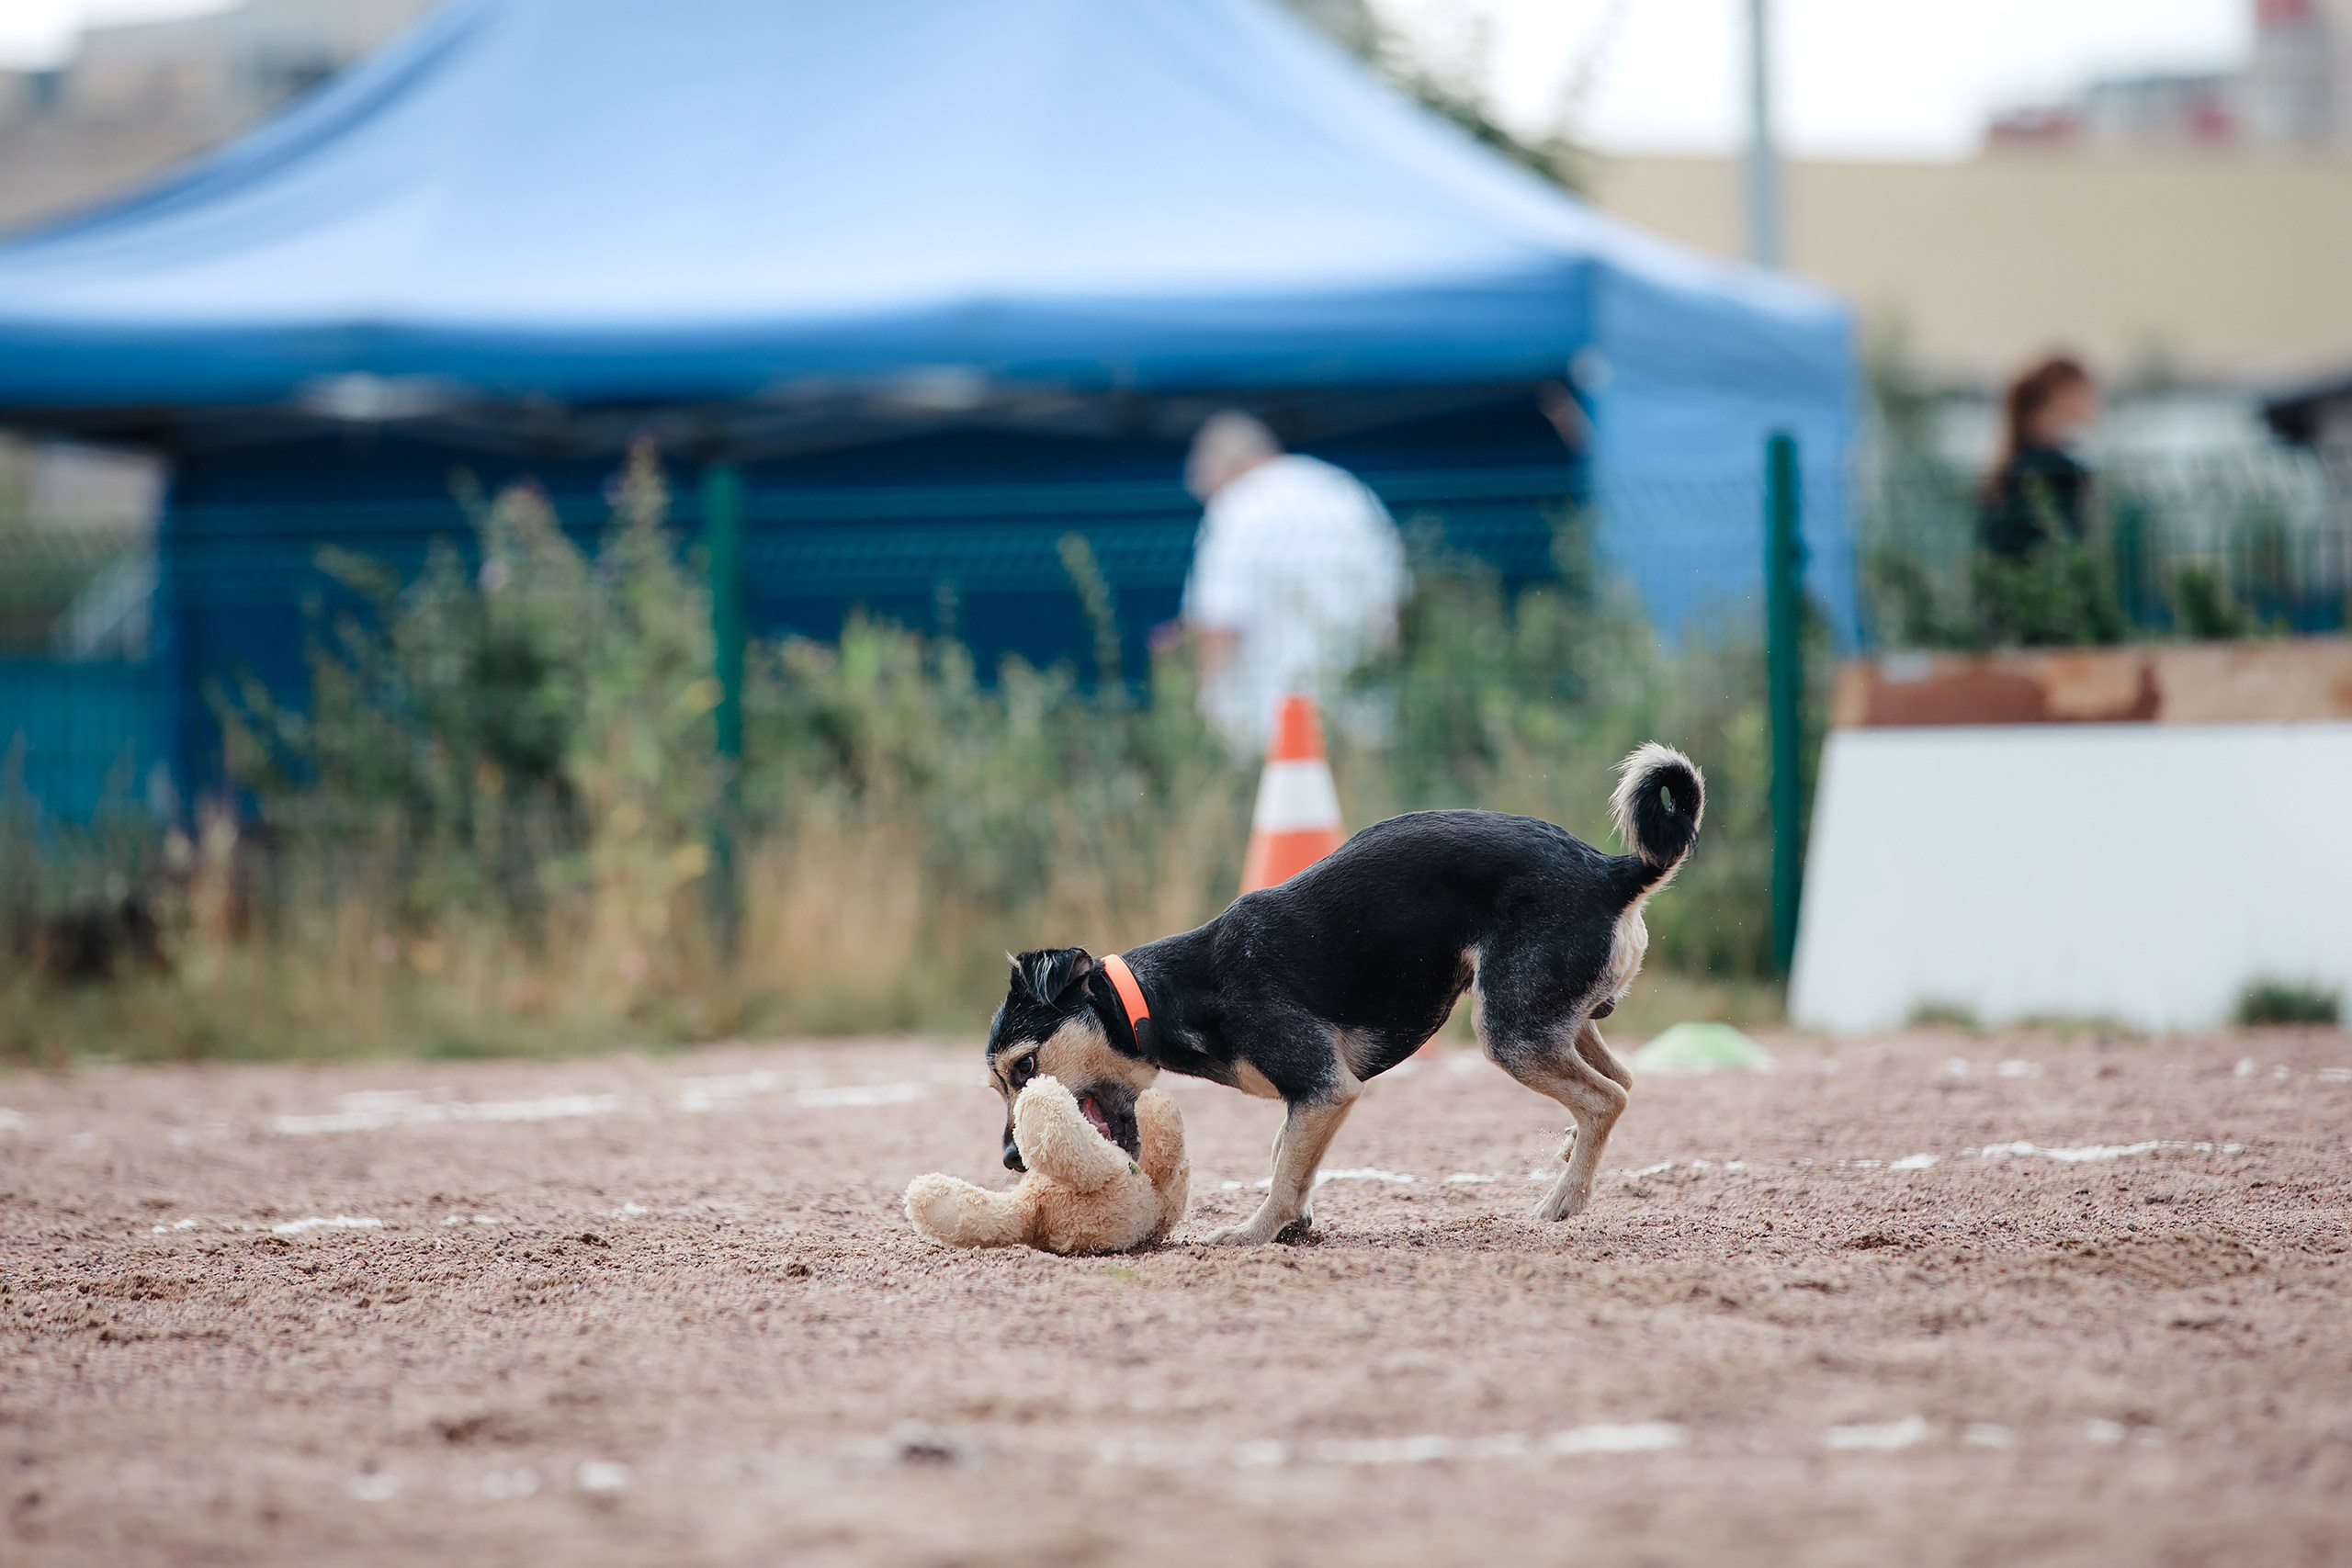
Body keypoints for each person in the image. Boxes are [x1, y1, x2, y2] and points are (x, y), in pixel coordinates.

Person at [1174, 412, 1408, 752]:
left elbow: (1219, 623)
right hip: (1360, 706)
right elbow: (1392, 605)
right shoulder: (1344, 490)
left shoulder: (1238, 505)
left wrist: (1199, 707)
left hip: (1263, 716)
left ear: (1224, 470)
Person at [1979, 355, 2098, 560]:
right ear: (2061, 392)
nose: (2094, 401)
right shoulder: (2054, 467)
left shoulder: (2016, 461)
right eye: (2086, 392)